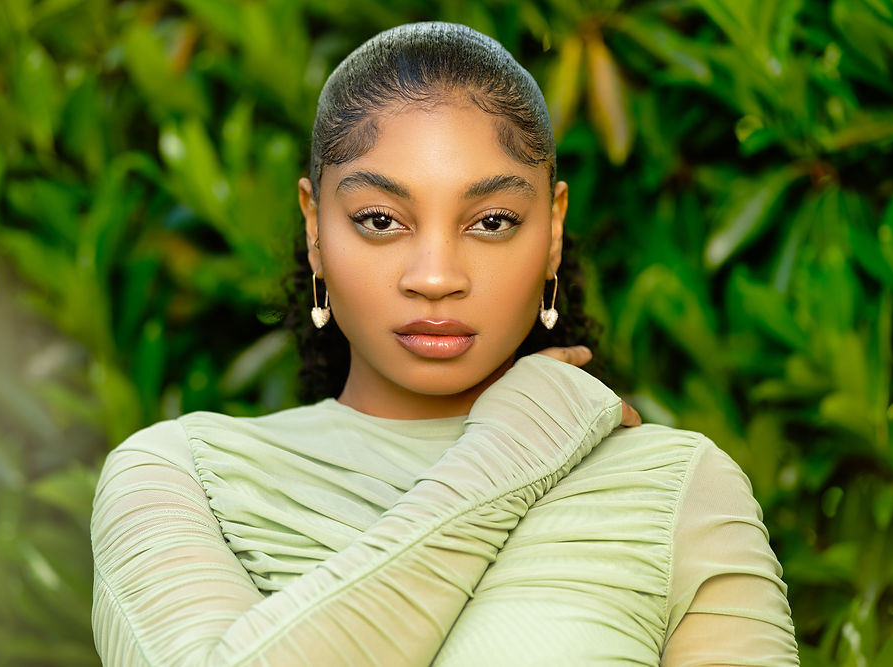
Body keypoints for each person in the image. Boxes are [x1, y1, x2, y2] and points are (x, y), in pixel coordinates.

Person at [90, 22, 799, 665]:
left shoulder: (677, 487)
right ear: (315, 228)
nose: (435, 277)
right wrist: (514, 446)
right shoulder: (181, 476)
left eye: (491, 221)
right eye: (379, 219)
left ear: (552, 231)